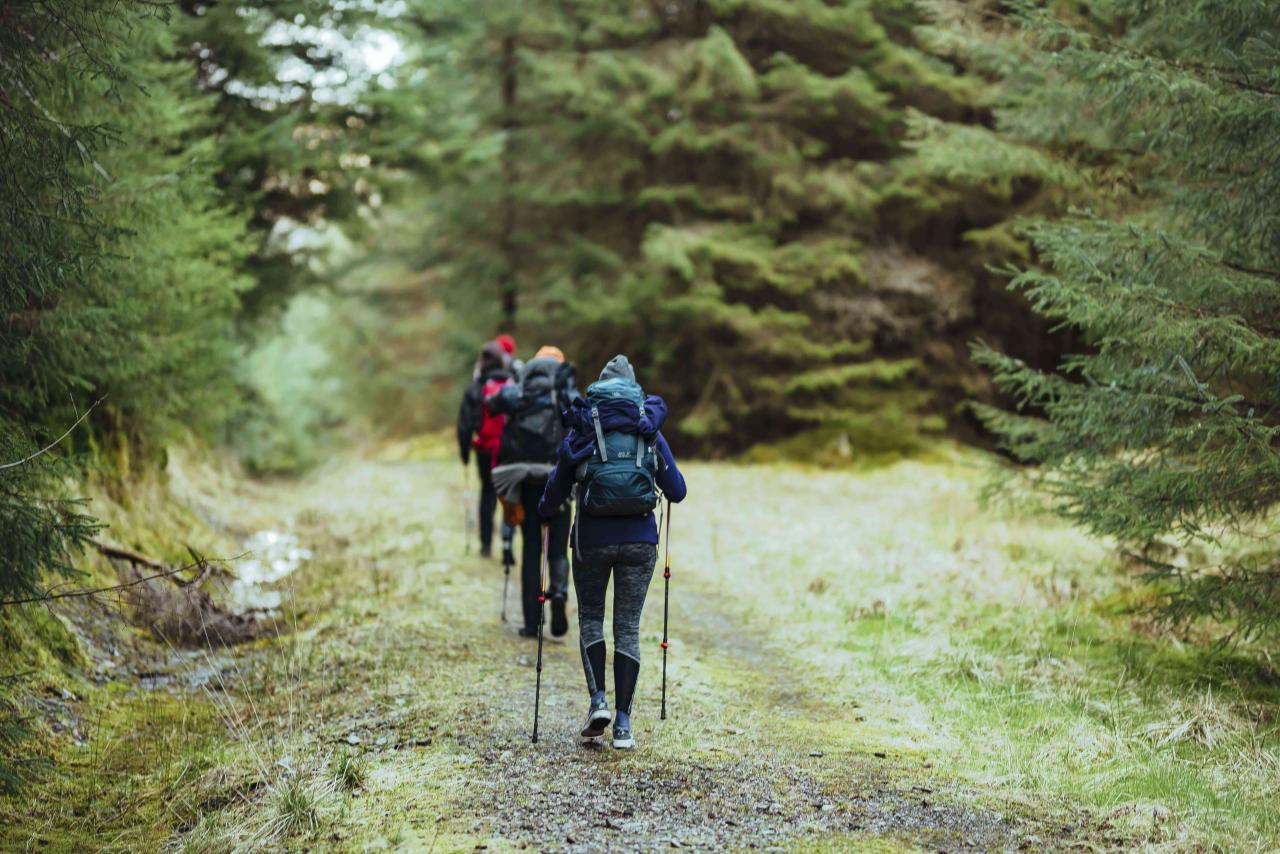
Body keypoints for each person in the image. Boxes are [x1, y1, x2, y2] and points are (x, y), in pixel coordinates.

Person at [539, 354, 686, 750]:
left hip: (592, 540)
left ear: (599, 389)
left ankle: (598, 701)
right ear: (634, 389)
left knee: (591, 618)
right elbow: (677, 491)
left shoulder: (584, 425)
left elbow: (551, 497)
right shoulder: (647, 427)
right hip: (640, 541)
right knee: (627, 627)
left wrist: (549, 505)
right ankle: (623, 724)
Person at [490, 345, 579, 639]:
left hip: (526, 476)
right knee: (557, 546)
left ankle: (531, 622)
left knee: (531, 547)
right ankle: (559, 593)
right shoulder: (565, 391)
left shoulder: (523, 388)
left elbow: (494, 403)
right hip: (559, 477)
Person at [456, 339, 514, 557]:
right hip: (508, 448)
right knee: (508, 492)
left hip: (484, 449)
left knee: (488, 492)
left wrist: (464, 453)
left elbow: (464, 424)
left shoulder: (475, 388)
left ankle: (486, 545)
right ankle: (508, 544)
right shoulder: (511, 384)